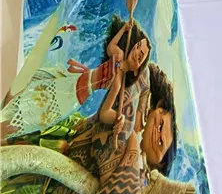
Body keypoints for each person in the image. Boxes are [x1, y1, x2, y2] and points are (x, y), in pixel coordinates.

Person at [1, 66, 194, 194]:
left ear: (159, 164)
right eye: (160, 125)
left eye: (160, 143)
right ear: (157, 108)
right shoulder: (128, 112)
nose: (155, 132)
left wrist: (133, 153)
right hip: (31, 154)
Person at [1, 10, 151, 142]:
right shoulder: (119, 54)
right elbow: (111, 46)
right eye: (137, 47)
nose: (136, 53)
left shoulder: (117, 82)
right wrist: (124, 29)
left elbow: (104, 113)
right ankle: (9, 105)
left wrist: (119, 117)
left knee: (39, 111)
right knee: (37, 86)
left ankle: (7, 126)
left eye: (141, 56)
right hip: (74, 79)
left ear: (137, 71)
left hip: (75, 95)